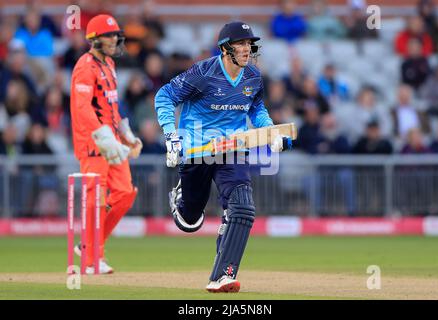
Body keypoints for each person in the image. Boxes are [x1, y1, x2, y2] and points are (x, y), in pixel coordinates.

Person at [155, 21, 291, 292]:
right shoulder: (203, 73)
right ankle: (182, 199)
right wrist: (171, 135)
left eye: (249, 44)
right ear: (225, 48)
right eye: (240, 44)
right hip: (198, 150)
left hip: (233, 149)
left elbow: (256, 108)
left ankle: (222, 275)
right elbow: (164, 96)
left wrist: (270, 130)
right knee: (190, 220)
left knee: (242, 209)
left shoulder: (252, 76)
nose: (246, 49)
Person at [70, 14, 142, 274]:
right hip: (93, 145)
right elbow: (83, 108)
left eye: (115, 35)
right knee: (96, 200)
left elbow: (111, 105)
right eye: (109, 35)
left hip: (112, 141)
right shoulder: (84, 66)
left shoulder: (110, 64)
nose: (114, 39)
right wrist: (104, 137)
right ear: (94, 38)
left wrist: (126, 133)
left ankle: (90, 245)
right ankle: (91, 259)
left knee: (125, 193)